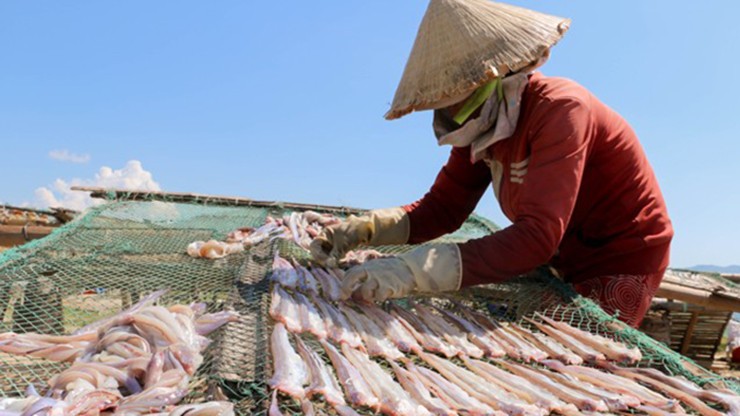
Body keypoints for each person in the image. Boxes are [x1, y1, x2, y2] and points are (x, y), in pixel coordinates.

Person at [310, 0, 673, 327]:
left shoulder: (561, 110)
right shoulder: (484, 129)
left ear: (497, 79)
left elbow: (537, 236)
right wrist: (365, 229)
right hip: (562, 254)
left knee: (576, 359)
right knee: (537, 343)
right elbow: (441, 210)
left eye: (461, 102)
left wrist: (413, 270)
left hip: (619, 255)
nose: (454, 115)